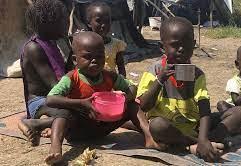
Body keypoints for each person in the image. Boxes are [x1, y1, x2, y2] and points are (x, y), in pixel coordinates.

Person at [136, 17, 241, 161]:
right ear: (162, 47)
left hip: (194, 125)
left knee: (239, 112)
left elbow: (204, 109)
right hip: (169, 128)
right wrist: (160, 79)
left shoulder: (197, 74)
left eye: (187, 45)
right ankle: (197, 143)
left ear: (193, 45)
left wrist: (202, 137)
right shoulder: (155, 70)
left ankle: (200, 143)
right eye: (175, 45)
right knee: (157, 126)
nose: (181, 49)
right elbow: (144, 106)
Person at [45, 31, 159, 164]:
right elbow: (51, 99)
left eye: (99, 56)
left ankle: (149, 137)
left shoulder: (109, 76)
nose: (94, 61)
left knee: (133, 105)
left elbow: (132, 88)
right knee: (62, 113)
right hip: (78, 130)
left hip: (103, 126)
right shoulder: (71, 78)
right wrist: (81, 103)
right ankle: (55, 148)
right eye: (88, 57)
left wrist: (124, 98)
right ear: (75, 60)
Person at [18, 0, 73, 147]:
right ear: (49, 23)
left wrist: (75, 52)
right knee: (77, 113)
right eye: (62, 21)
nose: (66, 24)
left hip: (54, 98)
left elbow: (67, 73)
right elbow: (54, 86)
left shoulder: (53, 43)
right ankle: (33, 123)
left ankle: (45, 122)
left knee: (81, 109)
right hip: (41, 101)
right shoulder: (33, 48)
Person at [86, 1, 127, 77]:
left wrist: (122, 83)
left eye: (107, 21)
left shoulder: (116, 45)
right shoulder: (85, 45)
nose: (104, 25)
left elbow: (121, 68)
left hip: (110, 83)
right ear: (89, 23)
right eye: (98, 21)